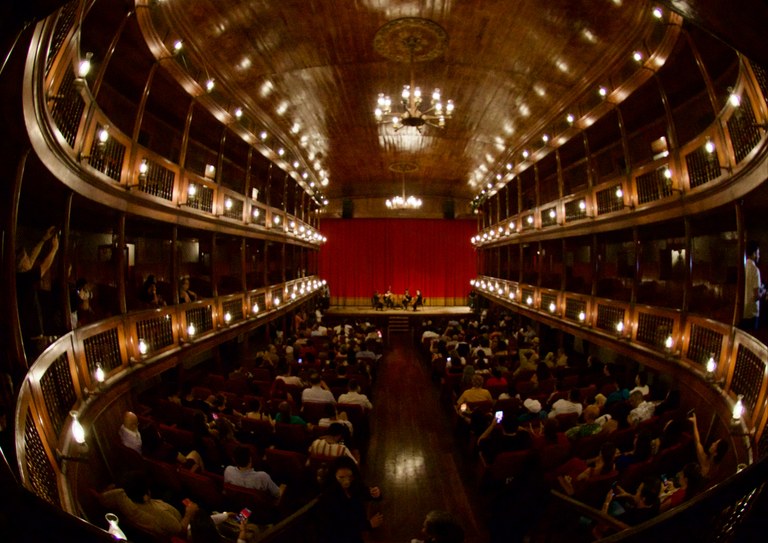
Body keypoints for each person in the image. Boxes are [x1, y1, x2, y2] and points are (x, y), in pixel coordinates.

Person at [100, 470, 198, 539]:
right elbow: (181, 532)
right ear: (145, 495)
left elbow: (103, 498)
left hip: (159, 516)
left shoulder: (122, 501)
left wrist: (115, 486)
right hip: (181, 525)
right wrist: (189, 512)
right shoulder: (161, 514)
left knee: (171, 493)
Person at [316, 455, 382, 543]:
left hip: (356, 532)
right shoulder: (329, 497)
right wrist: (368, 525)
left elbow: (365, 492)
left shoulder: (354, 485)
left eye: (349, 476)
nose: (347, 481)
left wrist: (376, 494)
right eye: (341, 477)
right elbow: (340, 527)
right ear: (334, 476)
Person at [16, 225, 60, 359]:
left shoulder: (21, 276)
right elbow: (44, 266)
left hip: (31, 335)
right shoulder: (24, 279)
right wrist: (54, 249)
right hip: (32, 337)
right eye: (26, 258)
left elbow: (33, 256)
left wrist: (43, 240)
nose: (29, 259)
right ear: (22, 264)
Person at [689, 411, 728, 478]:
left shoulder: (710, 469)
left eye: (715, 444)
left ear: (715, 453)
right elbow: (697, 442)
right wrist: (694, 422)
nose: (712, 443)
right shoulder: (708, 460)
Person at [741, 240, 765, 330]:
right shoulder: (755, 270)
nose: (759, 256)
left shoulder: (743, 267)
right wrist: (763, 292)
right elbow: (756, 296)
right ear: (754, 253)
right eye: (758, 253)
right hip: (752, 312)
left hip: (743, 311)